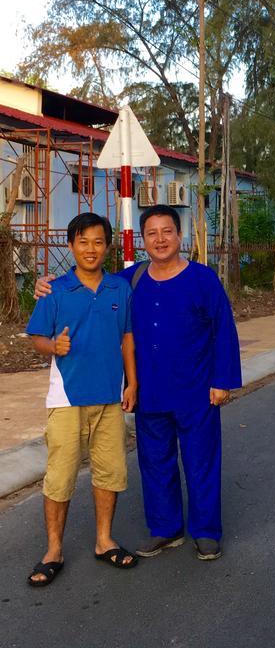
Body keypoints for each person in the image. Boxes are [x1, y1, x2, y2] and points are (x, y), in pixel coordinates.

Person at [36, 205, 242, 562]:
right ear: (143, 240)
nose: (160, 239)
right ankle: (166, 528)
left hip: (196, 390)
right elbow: (90, 278)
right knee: (155, 462)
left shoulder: (202, 279)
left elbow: (223, 330)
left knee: (201, 461)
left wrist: (222, 380)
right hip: (149, 392)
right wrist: (46, 283)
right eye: (152, 233)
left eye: (167, 232)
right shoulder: (131, 281)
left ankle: (206, 531)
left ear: (180, 237)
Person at [26, 213, 138, 587]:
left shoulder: (119, 289)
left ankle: (104, 541)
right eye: (83, 241)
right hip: (66, 399)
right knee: (60, 477)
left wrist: (132, 384)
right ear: (71, 245)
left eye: (98, 241)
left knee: (110, 473)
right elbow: (37, 337)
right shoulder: (54, 290)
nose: (91, 249)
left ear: (108, 246)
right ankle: (53, 550)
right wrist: (52, 345)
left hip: (109, 398)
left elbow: (127, 339)